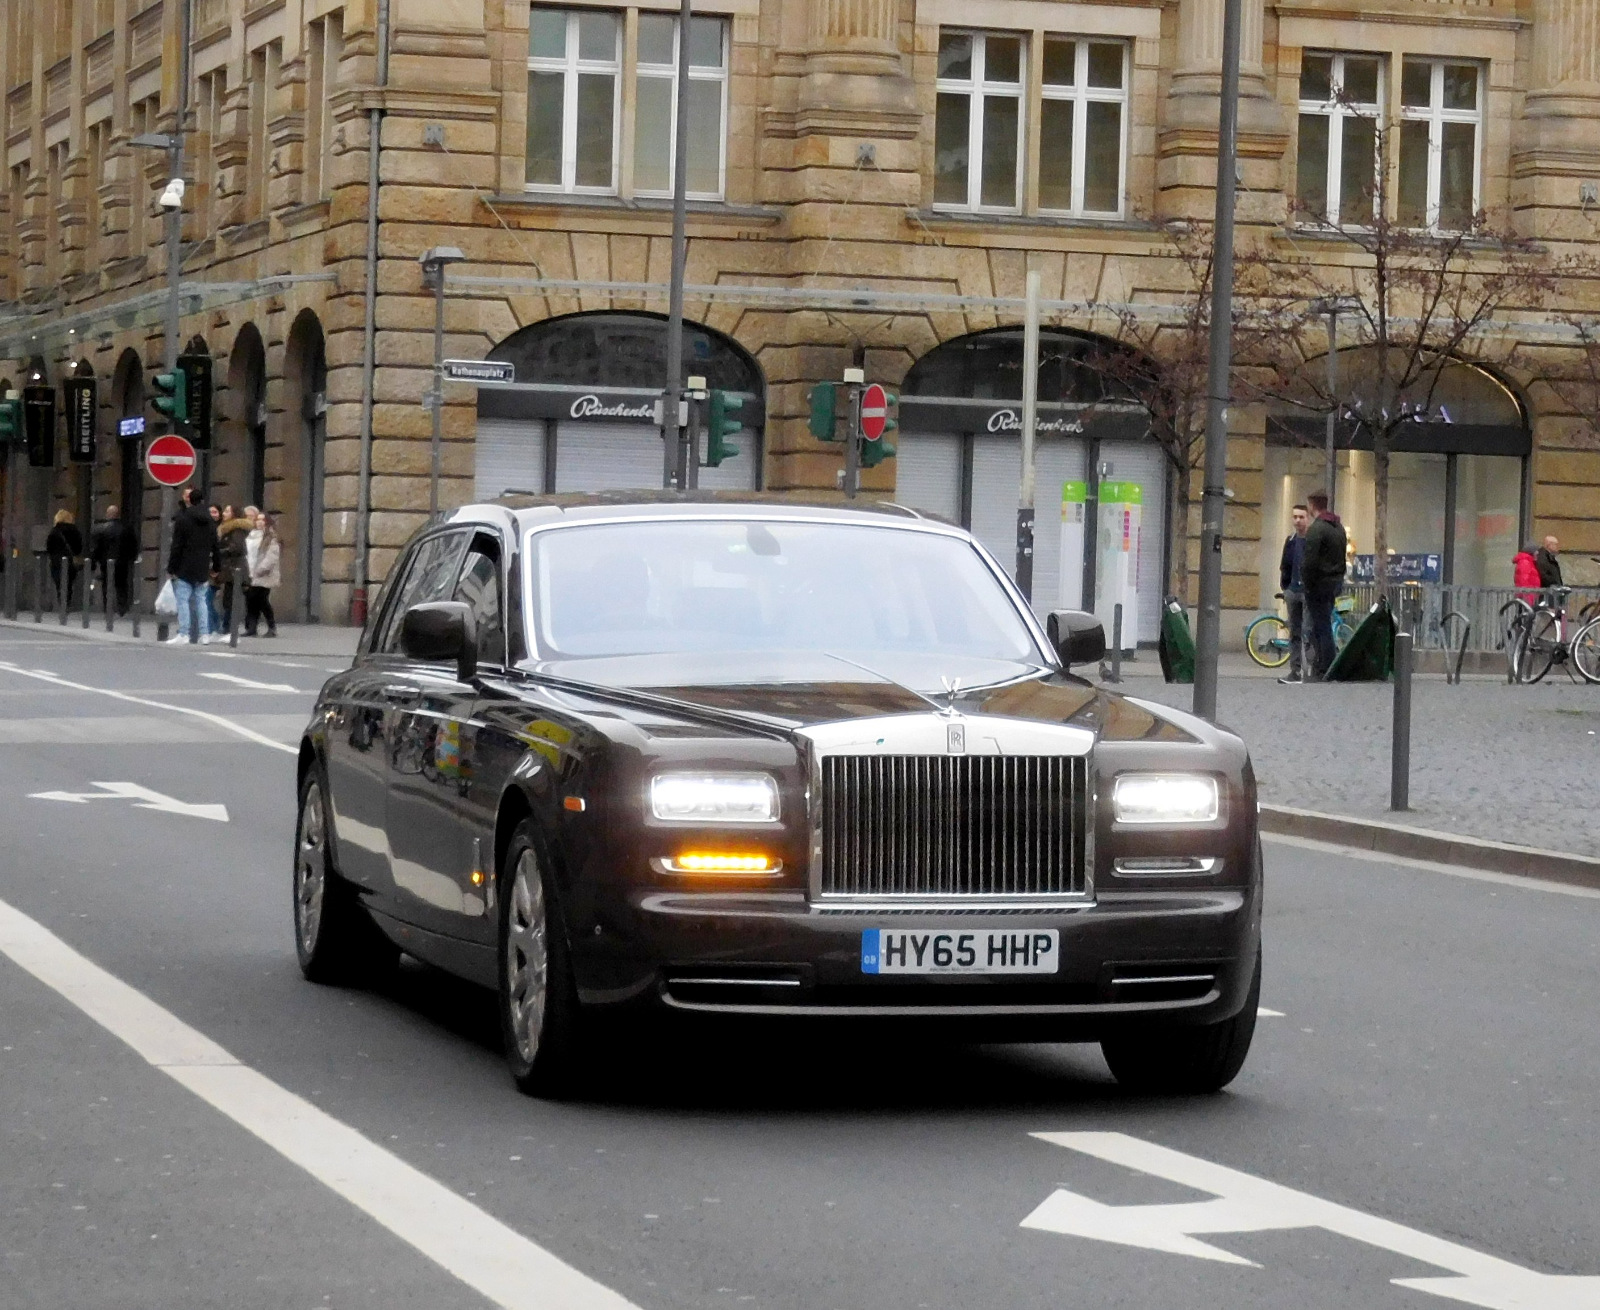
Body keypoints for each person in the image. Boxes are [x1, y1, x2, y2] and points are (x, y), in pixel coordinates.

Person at [1301, 491, 1348, 681]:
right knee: (1323, 624)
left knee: (1321, 627)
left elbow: (1310, 562)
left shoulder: (1317, 529)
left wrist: (1307, 583)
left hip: (1318, 585)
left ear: (1312, 506)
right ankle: (1322, 664)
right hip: (1334, 583)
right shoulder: (1338, 528)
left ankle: (1325, 666)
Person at [165, 488, 221, 644]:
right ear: (203, 500)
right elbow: (215, 546)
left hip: (184, 565)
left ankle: (184, 633)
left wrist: (171, 568)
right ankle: (204, 634)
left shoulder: (183, 518)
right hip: (202, 566)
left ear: (190, 500)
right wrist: (216, 567)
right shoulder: (210, 521)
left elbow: (177, 545)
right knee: (201, 600)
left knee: (182, 600)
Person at [1276, 503, 1310, 685]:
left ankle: (1311, 671)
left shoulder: (1312, 540)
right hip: (1293, 591)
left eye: (1301, 517)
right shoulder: (1290, 540)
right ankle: (1295, 671)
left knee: (1309, 631)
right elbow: (1285, 565)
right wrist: (1286, 587)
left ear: (1308, 518)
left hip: (1308, 592)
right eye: (1295, 517)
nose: (1297, 520)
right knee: (1294, 633)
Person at [89, 504, 140, 615]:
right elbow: (133, 545)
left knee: (106, 585)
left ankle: (107, 608)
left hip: (105, 562)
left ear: (108, 515)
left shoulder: (100, 530)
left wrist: (93, 563)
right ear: (118, 515)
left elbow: (96, 549)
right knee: (122, 585)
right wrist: (132, 558)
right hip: (122, 562)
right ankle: (122, 608)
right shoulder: (127, 529)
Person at [216, 504, 255, 631]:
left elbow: (237, 548)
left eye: (227, 511)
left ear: (234, 514)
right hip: (230, 569)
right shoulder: (226, 529)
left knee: (231, 600)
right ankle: (228, 628)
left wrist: (220, 551)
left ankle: (229, 629)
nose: (224, 513)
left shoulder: (236, 529)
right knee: (228, 600)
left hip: (235, 568)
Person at [244, 509, 280, 638]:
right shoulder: (250, 535)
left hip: (263, 574)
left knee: (262, 601)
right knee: (251, 601)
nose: (259, 522)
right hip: (250, 572)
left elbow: (272, 557)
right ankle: (252, 628)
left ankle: (271, 626)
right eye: (257, 519)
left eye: (262, 520)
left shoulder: (270, 537)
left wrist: (260, 570)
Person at [45, 509, 84, 608]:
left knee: (59, 584)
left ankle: (62, 603)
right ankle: (67, 602)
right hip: (71, 562)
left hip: (56, 562)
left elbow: (49, 547)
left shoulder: (54, 531)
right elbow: (79, 548)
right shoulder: (75, 531)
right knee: (69, 584)